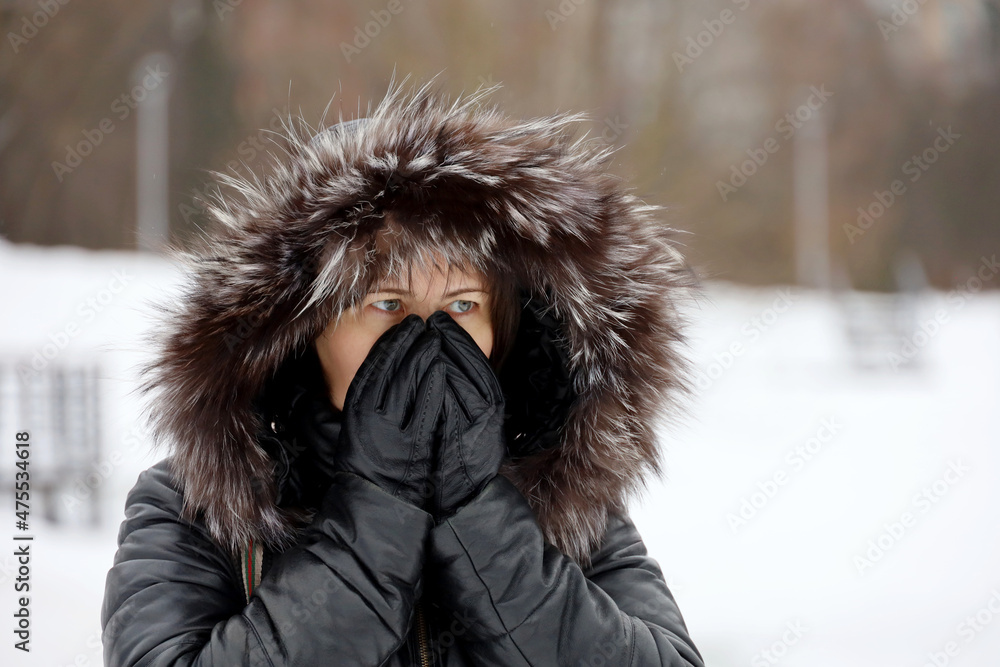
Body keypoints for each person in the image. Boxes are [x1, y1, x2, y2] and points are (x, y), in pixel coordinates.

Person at [100, 77, 705, 666]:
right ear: (306, 332)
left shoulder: (568, 504)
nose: (427, 340)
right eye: (387, 304)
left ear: (505, 333)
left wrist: (481, 519)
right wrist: (377, 511)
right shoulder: (200, 506)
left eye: (461, 307)